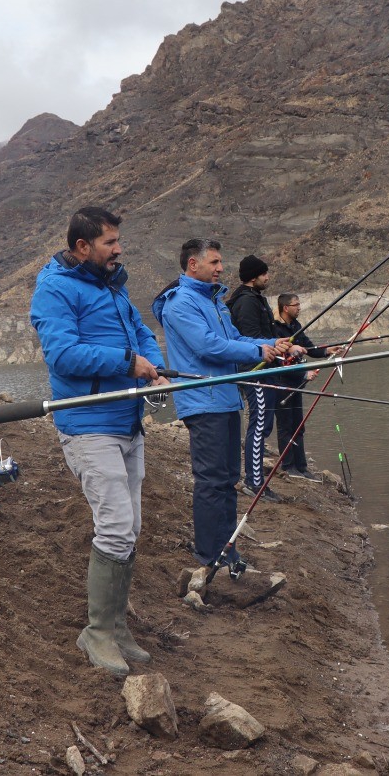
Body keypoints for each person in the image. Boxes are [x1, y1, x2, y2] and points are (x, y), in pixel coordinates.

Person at [29, 205, 166, 677]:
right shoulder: (54, 289)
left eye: (118, 241)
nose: (119, 249)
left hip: (128, 423)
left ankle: (117, 626)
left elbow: (142, 333)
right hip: (88, 425)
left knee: (130, 528)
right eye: (110, 242)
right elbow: (62, 354)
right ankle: (97, 633)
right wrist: (128, 364)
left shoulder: (114, 287)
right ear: (82, 246)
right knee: (114, 527)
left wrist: (152, 363)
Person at [152, 239, 300, 573]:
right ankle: (208, 554)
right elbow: (208, 347)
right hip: (203, 403)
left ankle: (227, 549)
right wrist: (257, 353)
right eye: (215, 262)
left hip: (226, 398)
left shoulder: (215, 301)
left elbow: (235, 340)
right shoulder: (181, 303)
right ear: (193, 264)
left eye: (221, 263)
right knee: (211, 479)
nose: (221, 268)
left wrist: (272, 344)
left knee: (230, 477)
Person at [226, 254, 286, 502]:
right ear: (253, 277)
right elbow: (249, 337)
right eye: (264, 273)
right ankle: (253, 482)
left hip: (263, 368)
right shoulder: (247, 302)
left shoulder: (254, 299)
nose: (267, 277)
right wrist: (270, 350)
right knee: (259, 424)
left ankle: (255, 479)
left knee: (264, 423)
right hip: (254, 370)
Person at [269, 292, 341, 481]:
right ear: (286, 308)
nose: (299, 307)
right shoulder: (275, 330)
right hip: (280, 384)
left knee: (298, 426)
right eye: (296, 304)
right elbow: (279, 362)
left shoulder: (296, 327)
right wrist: (303, 373)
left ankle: (301, 467)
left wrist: (327, 351)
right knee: (285, 427)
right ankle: (288, 466)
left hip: (296, 384)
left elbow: (308, 348)